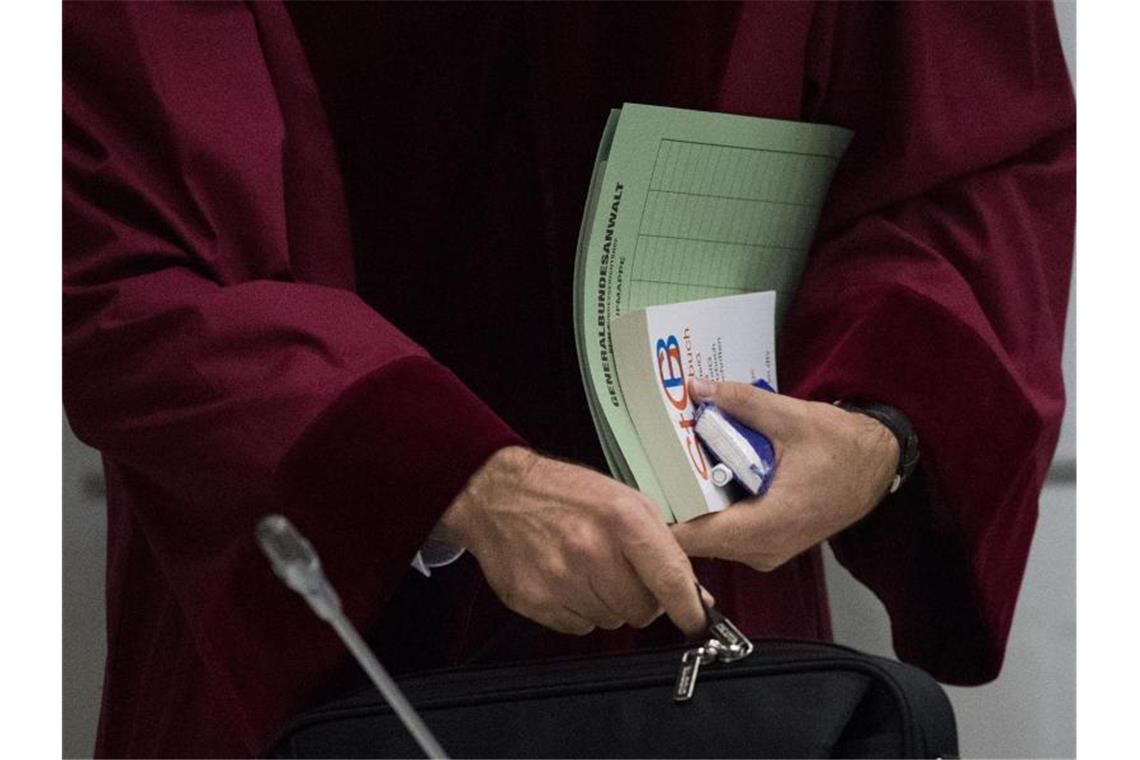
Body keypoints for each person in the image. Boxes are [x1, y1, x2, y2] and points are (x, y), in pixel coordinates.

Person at [63, 2, 1075, 757]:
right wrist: (446, 474)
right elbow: (99, 214)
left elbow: (975, 150)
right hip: (293, 623)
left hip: (702, 624)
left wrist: (874, 430)